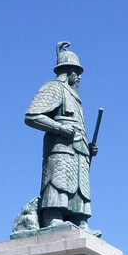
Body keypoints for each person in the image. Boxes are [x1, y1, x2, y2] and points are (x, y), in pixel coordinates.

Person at [25, 41, 98, 229]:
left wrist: (89, 148)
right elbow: (32, 116)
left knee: (80, 185)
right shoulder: (54, 87)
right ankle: (53, 216)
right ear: (67, 72)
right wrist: (60, 128)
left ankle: (79, 219)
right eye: (76, 72)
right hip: (61, 149)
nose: (79, 77)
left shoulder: (76, 98)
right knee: (58, 182)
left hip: (79, 151)